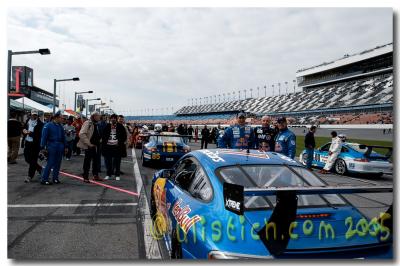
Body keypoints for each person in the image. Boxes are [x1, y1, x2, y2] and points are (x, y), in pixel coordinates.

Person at [40, 111, 66, 185]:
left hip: (60, 146)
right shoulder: (48, 125)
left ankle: (55, 178)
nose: (62, 119)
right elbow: (44, 137)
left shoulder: (60, 126)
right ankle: (44, 179)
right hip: (51, 146)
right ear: (57, 118)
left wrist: (65, 146)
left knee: (58, 163)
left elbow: (63, 137)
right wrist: (42, 147)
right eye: (61, 118)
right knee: (50, 163)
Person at [77, 112, 104, 183]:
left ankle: (95, 175)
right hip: (89, 146)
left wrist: (100, 140)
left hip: (96, 145)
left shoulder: (97, 124)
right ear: (94, 116)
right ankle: (85, 176)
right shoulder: (87, 123)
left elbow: (97, 134)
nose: (99, 118)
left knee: (96, 161)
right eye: (98, 116)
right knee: (87, 162)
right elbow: (81, 134)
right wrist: (89, 144)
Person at [102, 114, 127, 181]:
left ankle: (117, 175)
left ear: (116, 119)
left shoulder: (120, 126)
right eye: (112, 118)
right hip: (108, 146)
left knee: (117, 161)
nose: (113, 119)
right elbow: (103, 135)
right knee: (108, 162)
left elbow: (124, 136)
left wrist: (120, 142)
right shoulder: (107, 126)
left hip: (117, 147)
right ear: (110, 119)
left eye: (114, 118)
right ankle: (108, 174)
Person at [22, 110, 44, 182]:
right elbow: (24, 128)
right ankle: (39, 168)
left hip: (35, 144)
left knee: (33, 160)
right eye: (33, 115)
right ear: (30, 115)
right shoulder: (28, 121)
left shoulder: (40, 124)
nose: (34, 116)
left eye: (35, 115)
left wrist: (29, 133)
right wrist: (24, 130)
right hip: (27, 143)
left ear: (37, 116)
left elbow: (39, 135)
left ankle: (30, 176)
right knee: (27, 159)